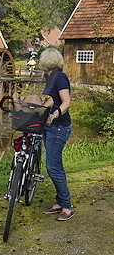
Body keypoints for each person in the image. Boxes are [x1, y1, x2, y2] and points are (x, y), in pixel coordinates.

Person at [38, 47, 74, 221]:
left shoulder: (60, 77)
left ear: (45, 60)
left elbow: (67, 102)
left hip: (59, 126)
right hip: (50, 127)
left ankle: (67, 206)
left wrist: (54, 115)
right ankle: (60, 201)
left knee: (53, 166)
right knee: (53, 165)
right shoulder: (51, 77)